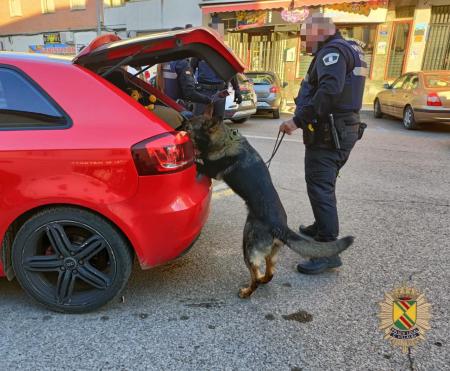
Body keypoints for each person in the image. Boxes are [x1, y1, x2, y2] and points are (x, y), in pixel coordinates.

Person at [279, 13, 367, 275]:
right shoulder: (349, 48)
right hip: (339, 129)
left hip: (330, 132)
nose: (303, 44)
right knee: (322, 183)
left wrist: (297, 121)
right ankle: (321, 226)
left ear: (319, 31)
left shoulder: (333, 53)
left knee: (320, 186)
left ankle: (328, 250)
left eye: (305, 37)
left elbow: (329, 91)